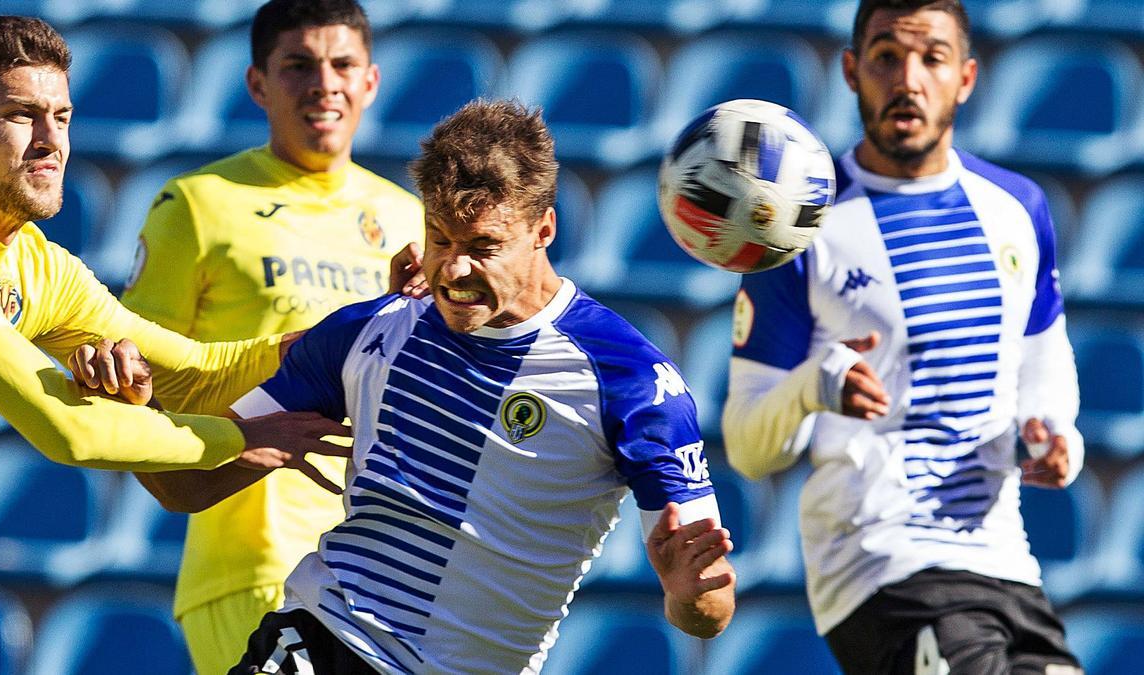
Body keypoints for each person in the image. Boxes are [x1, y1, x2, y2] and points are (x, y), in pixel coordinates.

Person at [124, 99, 736, 673]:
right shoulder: (367, 332)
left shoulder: (632, 382)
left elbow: (709, 612)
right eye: (441, 238)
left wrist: (689, 596)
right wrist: (134, 409)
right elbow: (185, 488)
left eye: (483, 246)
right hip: (325, 642)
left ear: (544, 229)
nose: (456, 268)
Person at [721, 1, 1084, 673]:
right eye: (887, 57)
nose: (908, 78)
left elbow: (1043, 358)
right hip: (879, 562)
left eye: (932, 58)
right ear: (852, 71)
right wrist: (814, 386)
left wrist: (1057, 432)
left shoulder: (1018, 207)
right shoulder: (797, 226)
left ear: (966, 78)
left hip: (1004, 557)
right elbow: (747, 447)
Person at [117, 1, 424, 670]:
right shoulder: (199, 204)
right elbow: (134, 376)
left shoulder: (410, 219)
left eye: (342, 64)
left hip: (390, 564)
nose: (324, 84)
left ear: (371, 80)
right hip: (256, 559)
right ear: (257, 83)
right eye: (298, 65)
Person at [0, 17, 344, 482]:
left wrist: (354, 334)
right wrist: (242, 440)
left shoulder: (39, 268)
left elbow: (196, 375)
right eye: (21, 115)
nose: (52, 141)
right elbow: (70, 431)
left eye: (62, 118)